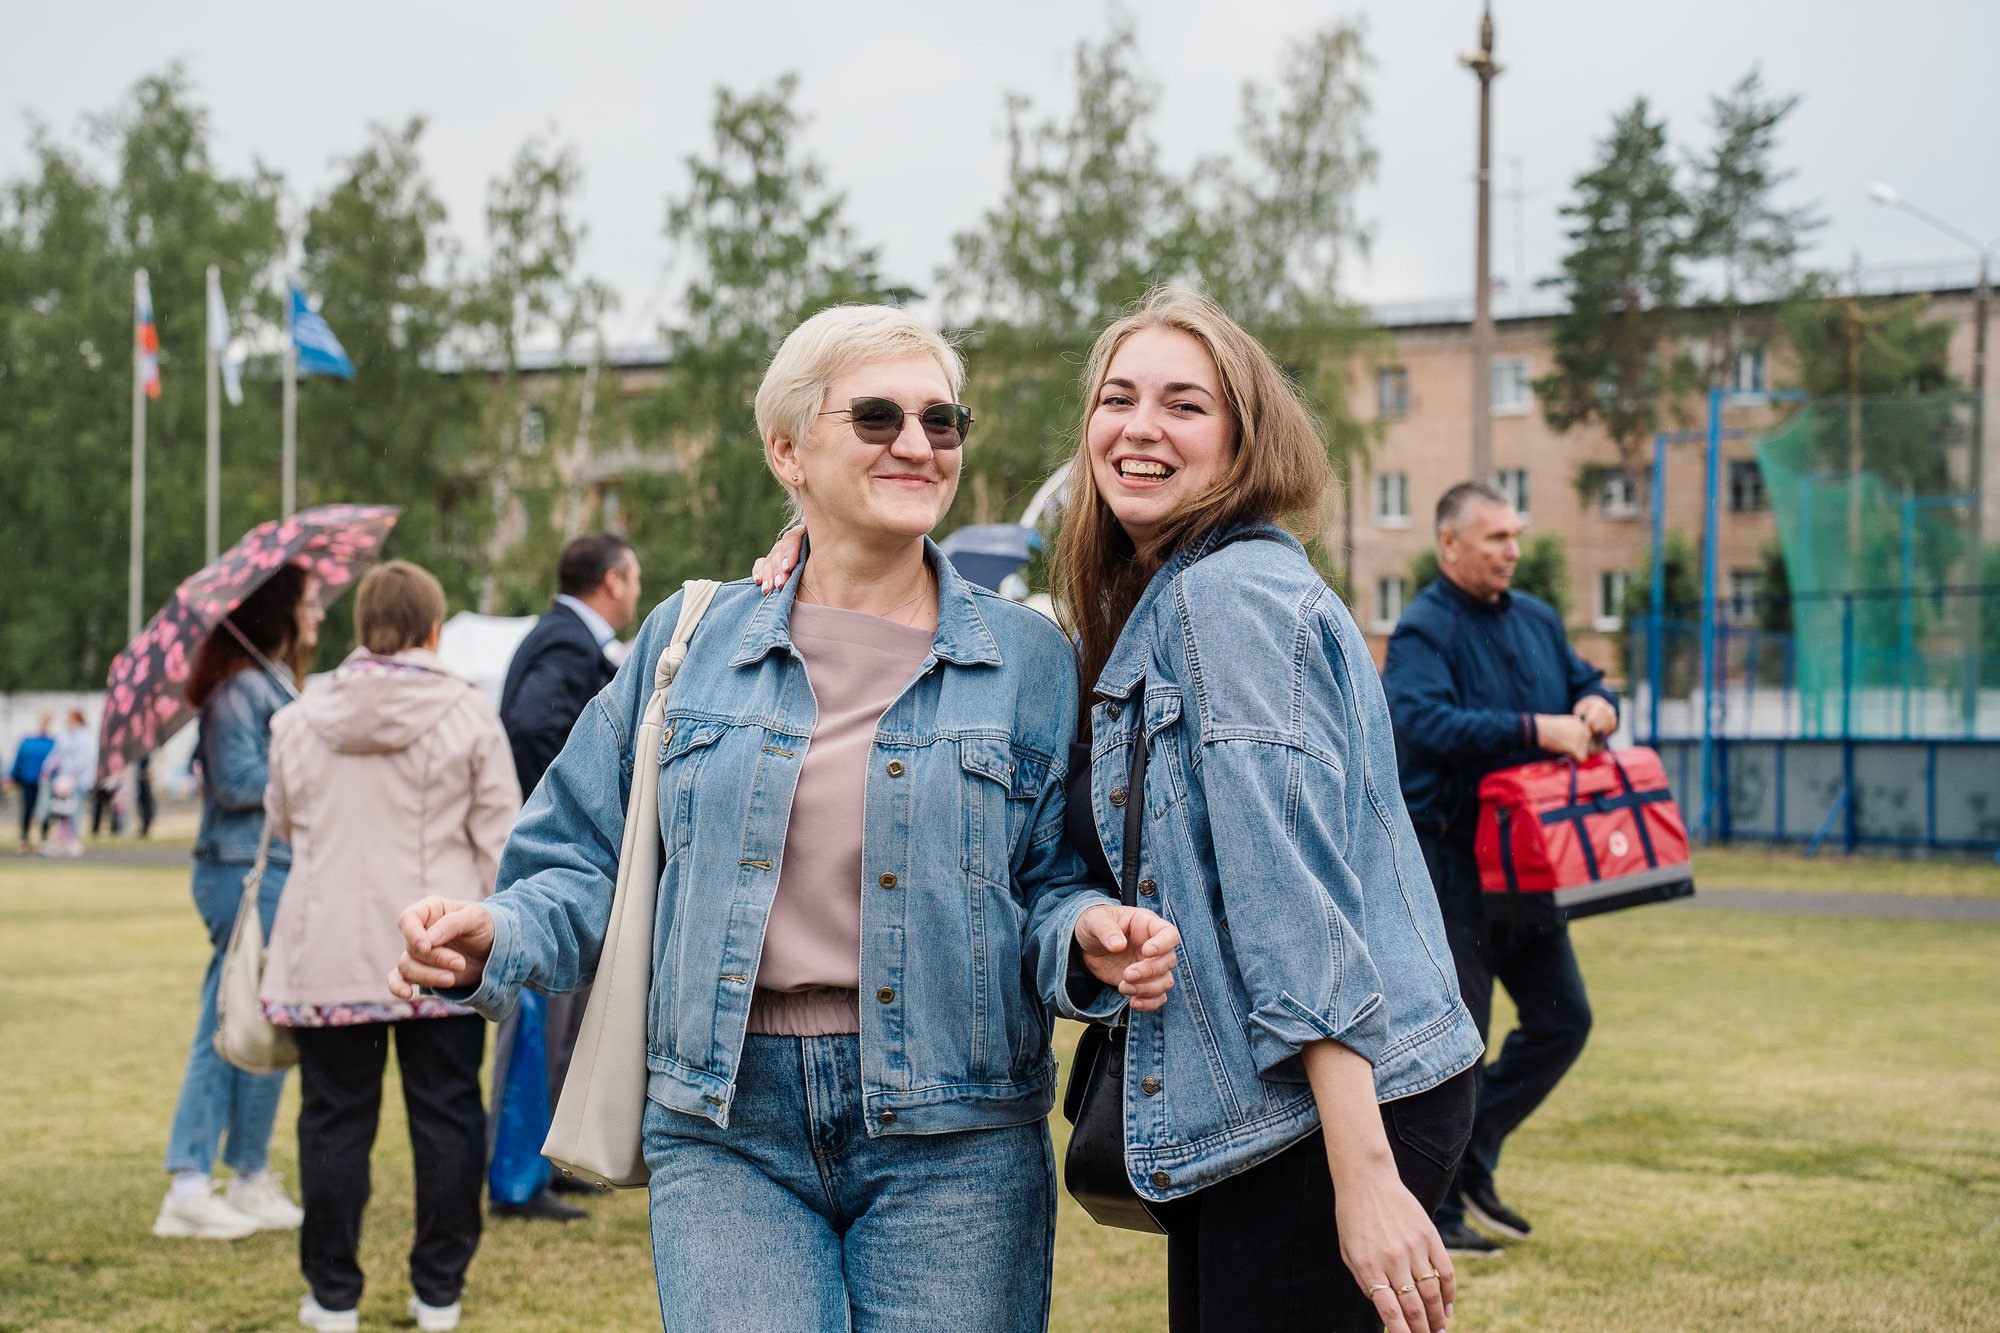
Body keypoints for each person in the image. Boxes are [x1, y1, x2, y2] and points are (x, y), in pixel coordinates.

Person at [392, 303, 1179, 1332]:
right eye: (874, 417)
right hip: (725, 1126)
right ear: (786, 450)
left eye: (941, 421)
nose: (915, 443)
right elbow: (584, 854)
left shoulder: (1029, 660)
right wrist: (498, 931)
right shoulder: (691, 637)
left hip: (957, 1129)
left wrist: (1083, 933)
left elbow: (1050, 879)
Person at [263, 560, 519, 1333]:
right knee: (446, 1117)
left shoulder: (299, 716)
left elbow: (283, 822)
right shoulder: (468, 714)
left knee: (333, 1122)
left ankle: (331, 1294)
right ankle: (438, 1289)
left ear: (360, 626)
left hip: (326, 947)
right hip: (435, 946)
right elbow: (502, 837)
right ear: (433, 628)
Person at [1383, 479, 1617, 1258]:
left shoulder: (1539, 619)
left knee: (1564, 1019)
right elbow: (1420, 722)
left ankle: (1473, 1158)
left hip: (1531, 862)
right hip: (1453, 862)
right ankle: (1440, 1218)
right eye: (1495, 539)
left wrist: (1595, 706)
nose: (1511, 551)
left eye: (1514, 536)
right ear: (1450, 544)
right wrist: (1536, 728)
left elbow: (1585, 681)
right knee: (1460, 1044)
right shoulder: (1423, 629)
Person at [155, 563, 321, 1241]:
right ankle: (188, 1184)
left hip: (276, 868)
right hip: (239, 872)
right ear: (278, 614)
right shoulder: (240, 689)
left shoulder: (272, 684)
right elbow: (236, 782)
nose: (318, 616)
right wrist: (306, 758)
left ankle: (248, 1172)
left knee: (267, 1018)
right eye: (309, 605)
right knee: (223, 1018)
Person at [485, 532, 642, 1222]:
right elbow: (529, 728)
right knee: (539, 1026)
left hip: (564, 861)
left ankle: (545, 1160)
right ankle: (517, 1179)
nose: (637, 590)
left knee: (566, 1028)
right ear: (612, 580)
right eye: (634, 577)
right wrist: (578, 797)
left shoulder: (568, 639)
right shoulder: (566, 644)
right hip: (555, 866)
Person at [39, 710, 98, 858]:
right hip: (62, 781)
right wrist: (47, 769)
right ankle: (59, 840)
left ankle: (72, 839)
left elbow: (86, 759)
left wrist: (72, 774)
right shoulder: (65, 736)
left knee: (74, 811)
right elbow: (56, 755)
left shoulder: (86, 737)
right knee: (60, 811)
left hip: (78, 781)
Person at [9, 714, 55, 853]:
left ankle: (44, 839)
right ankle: (24, 839)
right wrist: (13, 776)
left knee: (45, 811)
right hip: (28, 780)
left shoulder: (53, 742)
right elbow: (19, 758)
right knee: (27, 810)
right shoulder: (28, 741)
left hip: (46, 783)